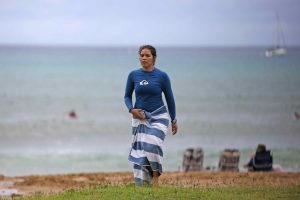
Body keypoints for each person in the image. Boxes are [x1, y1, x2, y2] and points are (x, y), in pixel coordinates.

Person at [124, 45, 178, 186]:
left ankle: (156, 175)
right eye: (141, 55)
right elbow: (127, 96)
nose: (144, 58)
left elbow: (170, 98)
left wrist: (174, 119)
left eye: (147, 55)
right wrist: (131, 110)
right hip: (139, 117)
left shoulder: (162, 76)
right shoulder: (133, 75)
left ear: (154, 57)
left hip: (159, 115)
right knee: (141, 152)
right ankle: (145, 183)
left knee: (152, 144)